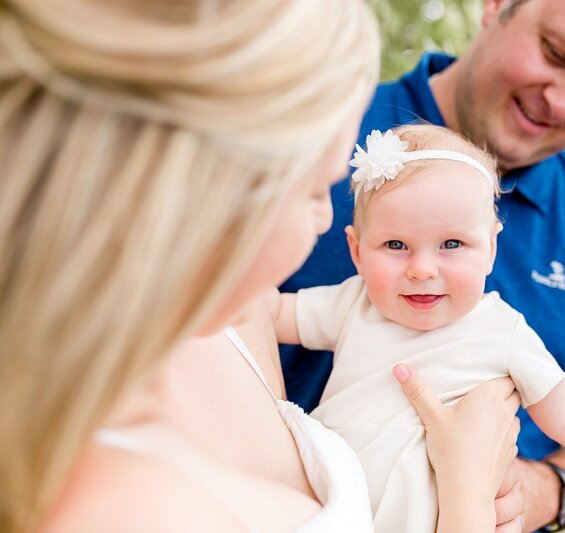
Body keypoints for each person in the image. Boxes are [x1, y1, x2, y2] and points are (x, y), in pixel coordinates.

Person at [0, 1, 520, 532]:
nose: (325, 222)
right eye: (317, 189)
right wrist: (467, 494)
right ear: (214, 187)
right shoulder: (116, 504)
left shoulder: (237, 321)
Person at [279, 0, 565, 530]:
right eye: (557, 53)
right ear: (497, 5)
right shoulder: (309, 124)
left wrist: (536, 493)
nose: (563, 100)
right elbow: (218, 317)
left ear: (492, 245)